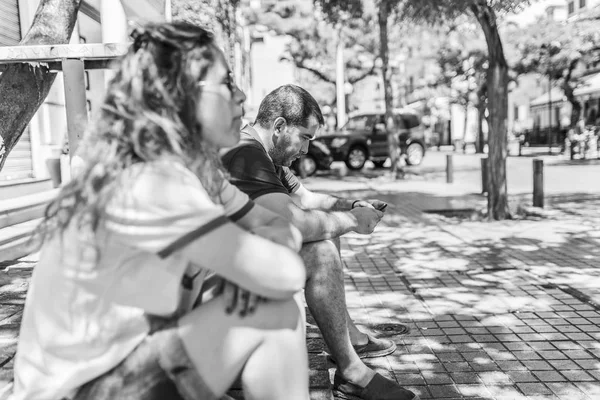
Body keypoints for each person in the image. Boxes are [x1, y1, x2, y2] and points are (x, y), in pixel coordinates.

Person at [10, 22, 311, 400]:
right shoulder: (154, 180)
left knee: (268, 296)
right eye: (227, 81)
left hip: (123, 368)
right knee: (273, 312)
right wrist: (257, 269)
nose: (242, 94)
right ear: (181, 96)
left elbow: (274, 224)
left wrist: (257, 266)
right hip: (77, 391)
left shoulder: (199, 173)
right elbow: (285, 271)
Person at [222, 85, 419, 400]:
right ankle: (351, 368)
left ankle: (349, 341)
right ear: (279, 127)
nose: (306, 150)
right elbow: (294, 224)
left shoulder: (264, 154)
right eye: (305, 138)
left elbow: (308, 199)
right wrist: (354, 222)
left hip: (235, 258)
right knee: (321, 250)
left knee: (327, 232)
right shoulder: (245, 153)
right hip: (214, 275)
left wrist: (351, 205)